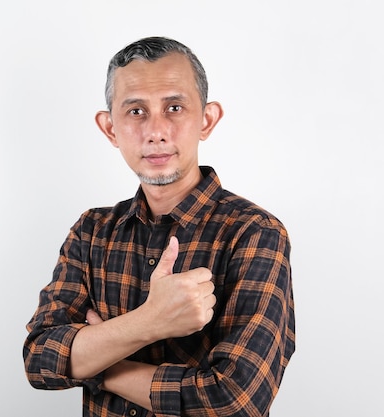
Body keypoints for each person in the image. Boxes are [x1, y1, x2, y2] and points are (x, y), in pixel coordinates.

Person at [23, 36, 295, 417]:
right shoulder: (91, 230)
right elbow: (39, 359)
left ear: (207, 119)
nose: (156, 131)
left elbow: (234, 401)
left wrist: (96, 362)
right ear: (110, 128)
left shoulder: (254, 233)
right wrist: (150, 322)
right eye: (135, 111)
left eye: (174, 107)